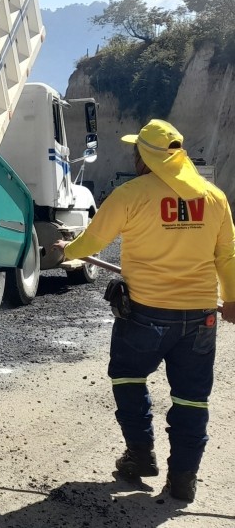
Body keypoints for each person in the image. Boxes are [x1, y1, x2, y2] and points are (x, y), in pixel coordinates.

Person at [53, 119, 235, 503]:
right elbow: (227, 256)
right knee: (191, 397)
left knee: (127, 378)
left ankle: (139, 456)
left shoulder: (130, 194)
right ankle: (183, 479)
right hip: (199, 316)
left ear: (143, 159)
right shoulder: (214, 197)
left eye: (137, 151)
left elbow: (95, 239)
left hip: (145, 314)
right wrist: (232, 300)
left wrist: (65, 250)